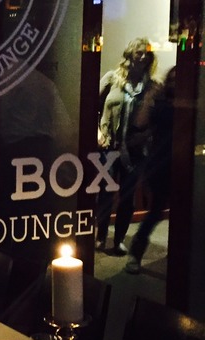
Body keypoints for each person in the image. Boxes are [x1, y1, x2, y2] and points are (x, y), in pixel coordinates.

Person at [95, 37, 159, 256]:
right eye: (139, 52)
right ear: (130, 53)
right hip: (109, 148)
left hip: (134, 152)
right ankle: (100, 235)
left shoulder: (151, 86)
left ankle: (119, 239)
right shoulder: (112, 79)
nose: (142, 56)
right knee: (104, 193)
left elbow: (157, 121)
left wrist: (146, 136)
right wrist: (98, 132)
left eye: (146, 54)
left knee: (127, 197)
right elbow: (90, 104)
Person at [125, 67, 175, 274]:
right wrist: (149, 98)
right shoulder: (162, 104)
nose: (175, 84)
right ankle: (136, 253)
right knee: (155, 211)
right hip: (161, 163)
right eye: (172, 79)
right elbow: (140, 122)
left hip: (184, 163)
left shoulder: (189, 102)